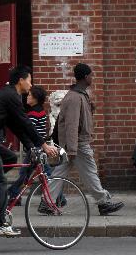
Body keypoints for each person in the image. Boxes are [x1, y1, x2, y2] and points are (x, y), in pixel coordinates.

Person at [0, 65, 57, 236]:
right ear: (21, 80)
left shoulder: (10, 94)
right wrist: (43, 145)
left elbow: (16, 126)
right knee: (1, 182)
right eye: (29, 81)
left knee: (10, 157)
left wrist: (32, 146)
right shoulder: (11, 96)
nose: (31, 85)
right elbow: (25, 122)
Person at [49, 63, 124, 216]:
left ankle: (47, 201)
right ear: (85, 77)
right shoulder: (75, 97)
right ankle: (103, 202)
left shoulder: (79, 95)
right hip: (78, 143)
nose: (92, 78)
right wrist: (72, 149)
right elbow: (72, 125)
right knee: (90, 172)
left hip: (74, 143)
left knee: (60, 172)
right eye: (91, 75)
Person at [7, 85, 50, 204]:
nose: (27, 97)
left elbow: (30, 130)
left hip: (35, 149)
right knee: (38, 174)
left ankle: (12, 195)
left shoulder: (33, 114)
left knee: (31, 174)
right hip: (39, 148)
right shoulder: (40, 111)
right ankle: (14, 196)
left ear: (35, 98)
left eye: (30, 95)